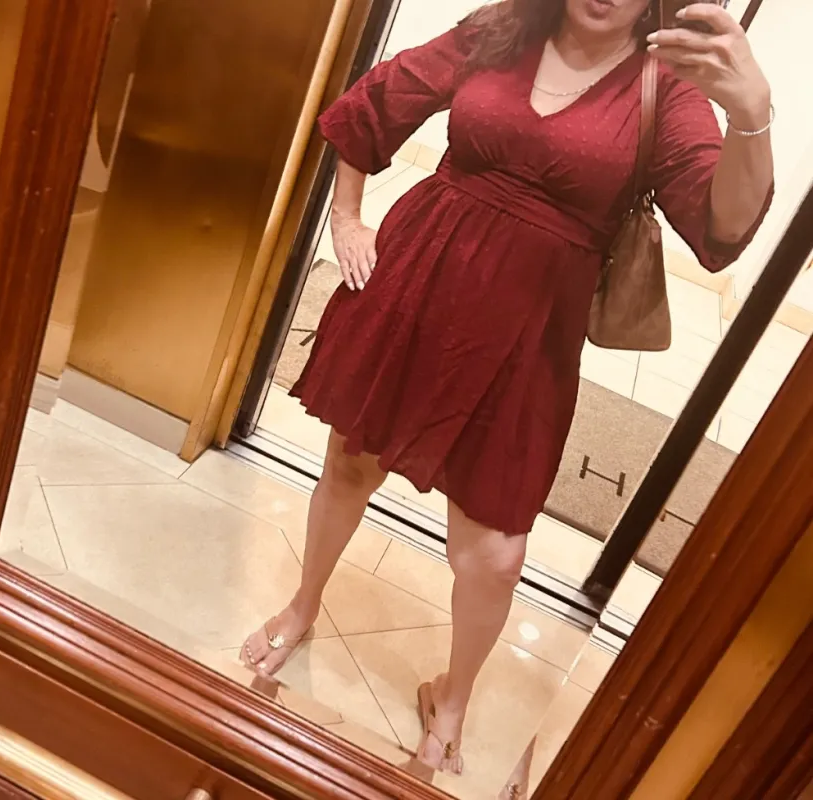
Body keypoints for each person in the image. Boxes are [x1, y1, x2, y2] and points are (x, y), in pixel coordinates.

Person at [242, 0, 774, 774]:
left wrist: (752, 116)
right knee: (350, 463)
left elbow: (721, 229)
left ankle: (453, 694)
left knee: (493, 551)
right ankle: (303, 604)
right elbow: (373, 104)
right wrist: (347, 220)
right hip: (413, 289)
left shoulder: (665, 87)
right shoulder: (502, 27)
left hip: (530, 340)